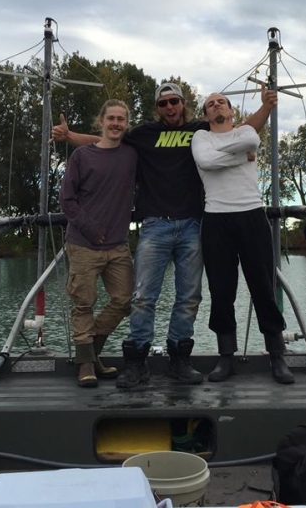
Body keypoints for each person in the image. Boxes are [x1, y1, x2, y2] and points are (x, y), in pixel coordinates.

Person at [52, 82, 275, 389]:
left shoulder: (201, 131)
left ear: (183, 104)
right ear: (156, 108)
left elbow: (243, 130)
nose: (170, 107)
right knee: (142, 298)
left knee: (188, 298)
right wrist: (70, 137)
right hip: (155, 225)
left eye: (175, 102)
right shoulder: (144, 134)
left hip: (193, 225)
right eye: (163, 103)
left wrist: (265, 108)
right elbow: (105, 140)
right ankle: (136, 362)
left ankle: (179, 359)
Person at [191, 88, 295, 384]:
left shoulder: (245, 132)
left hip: (252, 215)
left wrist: (237, 149)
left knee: (263, 285)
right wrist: (241, 157)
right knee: (221, 290)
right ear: (205, 114)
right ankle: (226, 358)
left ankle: (277, 355)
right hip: (216, 219)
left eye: (220, 102)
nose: (215, 106)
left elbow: (251, 139)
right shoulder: (201, 138)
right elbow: (205, 161)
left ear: (231, 110)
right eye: (210, 105)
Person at [59, 99, 137, 387]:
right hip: (83, 243)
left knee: (125, 300)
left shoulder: (132, 154)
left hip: (117, 245)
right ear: (101, 121)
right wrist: (90, 229)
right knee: (83, 303)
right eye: (111, 118)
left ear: (126, 124)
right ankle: (86, 365)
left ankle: (91, 354)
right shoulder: (81, 156)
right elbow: (67, 199)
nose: (116, 123)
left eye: (121, 119)